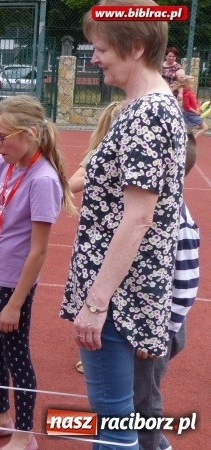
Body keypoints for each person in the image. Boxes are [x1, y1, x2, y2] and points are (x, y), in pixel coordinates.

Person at [61, 2, 187, 449]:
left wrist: (96, 302)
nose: (93, 58)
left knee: (114, 419)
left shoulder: (145, 114)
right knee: (117, 416)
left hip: (117, 294)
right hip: (125, 290)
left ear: (134, 47)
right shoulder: (147, 107)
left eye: (100, 49)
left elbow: (139, 217)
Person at [0, 95, 74, 450]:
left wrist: (15, 303)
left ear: (27, 134)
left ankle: (24, 435)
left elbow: (39, 250)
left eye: (1, 136)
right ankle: (0, 418)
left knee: (16, 355)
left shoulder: (43, 180)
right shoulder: (2, 165)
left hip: (14, 285)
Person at [133, 134, 198, 450]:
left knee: (144, 394)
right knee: (136, 388)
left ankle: (149, 444)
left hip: (160, 327)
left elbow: (186, 285)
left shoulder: (178, 220)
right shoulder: (150, 207)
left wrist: (159, 332)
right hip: (147, 322)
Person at [67, 100, 122, 375]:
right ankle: (93, 351)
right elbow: (73, 183)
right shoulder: (97, 155)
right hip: (96, 237)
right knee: (93, 294)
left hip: (115, 236)